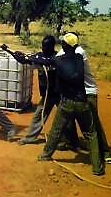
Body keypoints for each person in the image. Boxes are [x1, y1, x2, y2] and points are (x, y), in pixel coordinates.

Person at [36, 33, 104, 175]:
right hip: (82, 102)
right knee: (91, 134)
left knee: (56, 129)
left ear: (64, 45)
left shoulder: (58, 60)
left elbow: (43, 61)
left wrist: (22, 57)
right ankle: (97, 167)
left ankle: (46, 154)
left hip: (66, 102)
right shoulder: (80, 58)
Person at [56, 32, 111, 163]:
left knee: (93, 124)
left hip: (87, 93)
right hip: (76, 93)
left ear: (69, 45)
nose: (62, 44)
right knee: (68, 118)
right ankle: (70, 141)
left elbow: (57, 59)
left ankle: (105, 152)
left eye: (64, 42)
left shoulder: (79, 54)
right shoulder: (69, 51)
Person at [1, 36, 61, 145]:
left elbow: (46, 61)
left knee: (65, 118)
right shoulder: (39, 56)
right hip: (48, 95)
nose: (43, 48)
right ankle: (30, 137)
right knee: (38, 115)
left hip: (60, 93)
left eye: (46, 46)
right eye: (43, 46)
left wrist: (30, 58)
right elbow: (23, 59)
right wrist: (9, 51)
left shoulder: (57, 57)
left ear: (52, 47)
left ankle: (69, 140)